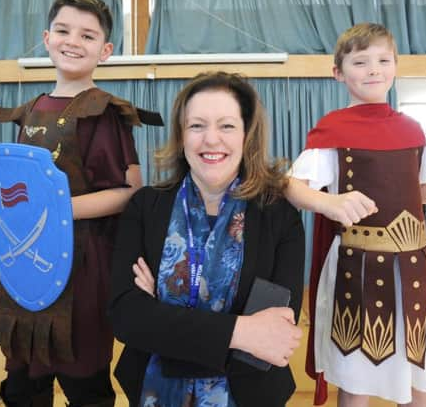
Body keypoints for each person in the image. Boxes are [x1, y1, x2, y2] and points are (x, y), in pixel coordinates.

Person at [0, 0, 155, 407]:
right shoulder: (28, 112)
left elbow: (130, 193)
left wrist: (55, 210)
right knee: (24, 384)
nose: (72, 41)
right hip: (23, 267)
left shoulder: (106, 112)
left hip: (83, 265)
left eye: (87, 35)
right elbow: (17, 189)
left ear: (106, 50)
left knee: (85, 386)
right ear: (46, 38)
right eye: (63, 30)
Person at [284, 23, 426, 407]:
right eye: (360, 62)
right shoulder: (333, 129)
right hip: (357, 265)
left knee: (418, 375)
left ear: (395, 66)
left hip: (415, 267)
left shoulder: (411, 129)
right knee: (356, 376)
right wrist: (330, 203)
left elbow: (424, 192)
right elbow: (291, 187)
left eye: (383, 60)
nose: (373, 69)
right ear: (339, 72)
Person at [108, 72, 305, 406]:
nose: (211, 139)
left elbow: (273, 339)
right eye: (197, 126)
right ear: (181, 135)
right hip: (152, 392)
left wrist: (162, 316)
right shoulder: (146, 207)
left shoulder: (278, 215)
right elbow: (127, 318)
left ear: (247, 135)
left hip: (248, 393)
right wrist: (241, 331)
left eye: (226, 126)